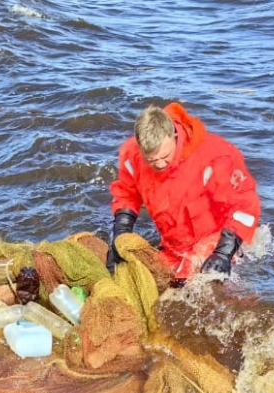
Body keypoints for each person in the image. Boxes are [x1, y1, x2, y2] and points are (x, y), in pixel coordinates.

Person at [107, 103, 261, 287]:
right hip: (173, 243)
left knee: (183, 291)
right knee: (148, 282)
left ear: (173, 135)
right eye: (152, 161)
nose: (160, 165)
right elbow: (126, 194)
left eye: (165, 157)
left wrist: (223, 253)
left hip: (215, 237)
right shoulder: (131, 154)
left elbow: (245, 204)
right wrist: (121, 235)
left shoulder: (216, 156)